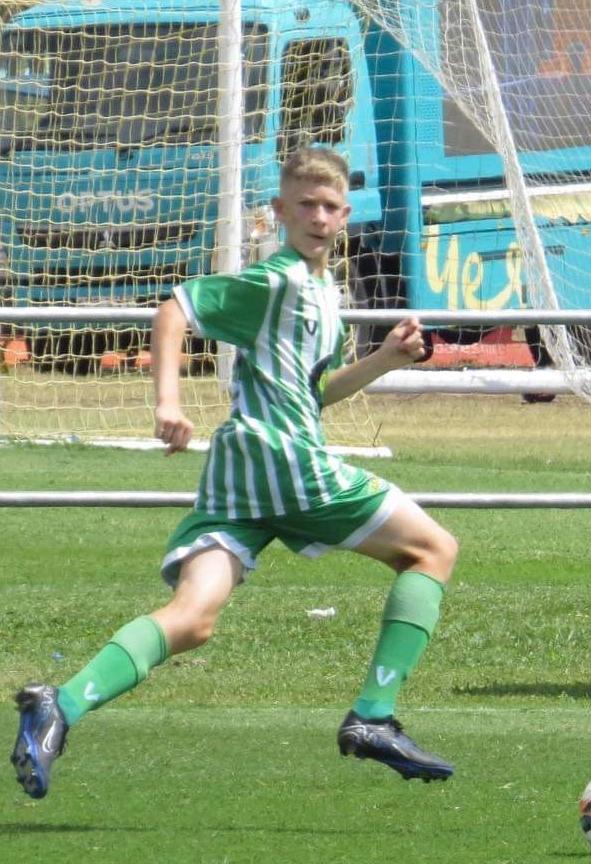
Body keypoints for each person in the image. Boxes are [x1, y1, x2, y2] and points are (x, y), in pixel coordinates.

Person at [11, 147, 458, 799]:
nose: (318, 215)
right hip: (281, 461)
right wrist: (167, 402)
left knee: (192, 619)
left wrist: (386, 358)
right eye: (305, 203)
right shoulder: (275, 280)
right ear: (279, 211)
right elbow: (176, 309)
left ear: (345, 216)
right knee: (434, 549)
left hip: (238, 474)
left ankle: (61, 704)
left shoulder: (323, 294)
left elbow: (313, 392)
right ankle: (372, 715)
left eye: (330, 206)